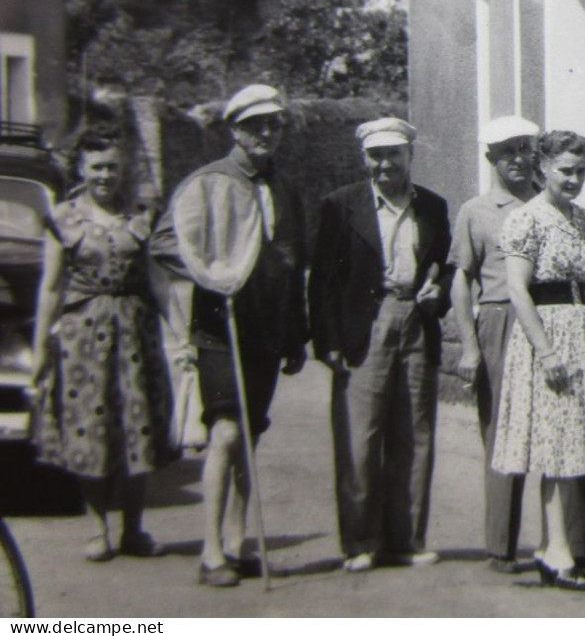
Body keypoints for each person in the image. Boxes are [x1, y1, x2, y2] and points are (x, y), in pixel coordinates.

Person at [151, 84, 309, 588]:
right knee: (225, 431)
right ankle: (211, 550)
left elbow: (292, 260)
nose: (266, 133)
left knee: (250, 437)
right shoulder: (207, 182)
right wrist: (214, 269)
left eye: (274, 124)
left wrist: (295, 334)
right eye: (255, 125)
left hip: (266, 328)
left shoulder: (284, 187)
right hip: (221, 325)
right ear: (235, 129)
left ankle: (240, 546)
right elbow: (164, 241)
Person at [449, 116, 585, 571]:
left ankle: (579, 542)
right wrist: (469, 346)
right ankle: (502, 545)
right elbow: (461, 280)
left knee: (569, 430)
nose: (516, 158)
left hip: (559, 318)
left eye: (523, 147)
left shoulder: (565, 208)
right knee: (508, 430)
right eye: (506, 151)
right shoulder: (478, 211)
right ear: (491, 158)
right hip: (503, 317)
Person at [310, 118, 451, 572]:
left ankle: (406, 540)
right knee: (361, 436)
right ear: (364, 158)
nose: (385, 163)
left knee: (415, 433)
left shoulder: (432, 206)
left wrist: (439, 291)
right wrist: (328, 341)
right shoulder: (340, 205)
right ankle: (360, 542)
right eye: (376, 155)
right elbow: (323, 282)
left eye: (394, 153)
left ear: (411, 154)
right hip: (365, 326)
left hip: (416, 320)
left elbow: (443, 267)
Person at [30, 124, 175, 563]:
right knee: (89, 431)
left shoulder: (140, 214)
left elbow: (158, 279)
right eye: (96, 167)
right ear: (80, 167)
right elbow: (51, 288)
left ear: (123, 167)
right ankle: (98, 528)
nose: (105, 175)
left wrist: (181, 336)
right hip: (82, 339)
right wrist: (40, 349)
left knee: (139, 428)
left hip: (136, 334)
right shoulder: (63, 217)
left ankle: (133, 529)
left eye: (112, 166)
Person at [490, 131, 585, 592]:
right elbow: (517, 290)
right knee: (553, 443)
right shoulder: (527, 220)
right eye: (565, 170)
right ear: (543, 167)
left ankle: (554, 549)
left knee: (571, 444)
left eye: (581, 171)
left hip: (581, 332)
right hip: (544, 335)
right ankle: (557, 549)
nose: (574, 179)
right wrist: (546, 352)